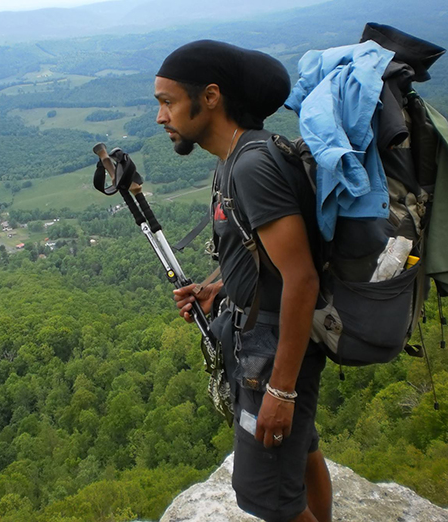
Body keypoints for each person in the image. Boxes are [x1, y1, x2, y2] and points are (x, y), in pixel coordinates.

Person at [154, 40, 333, 522]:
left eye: (167, 102)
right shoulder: (233, 159)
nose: (160, 117)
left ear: (210, 96)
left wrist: (281, 391)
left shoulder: (251, 166)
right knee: (302, 450)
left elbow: (301, 278)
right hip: (261, 343)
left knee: (266, 496)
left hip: (272, 354)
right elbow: (267, 260)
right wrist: (220, 288)